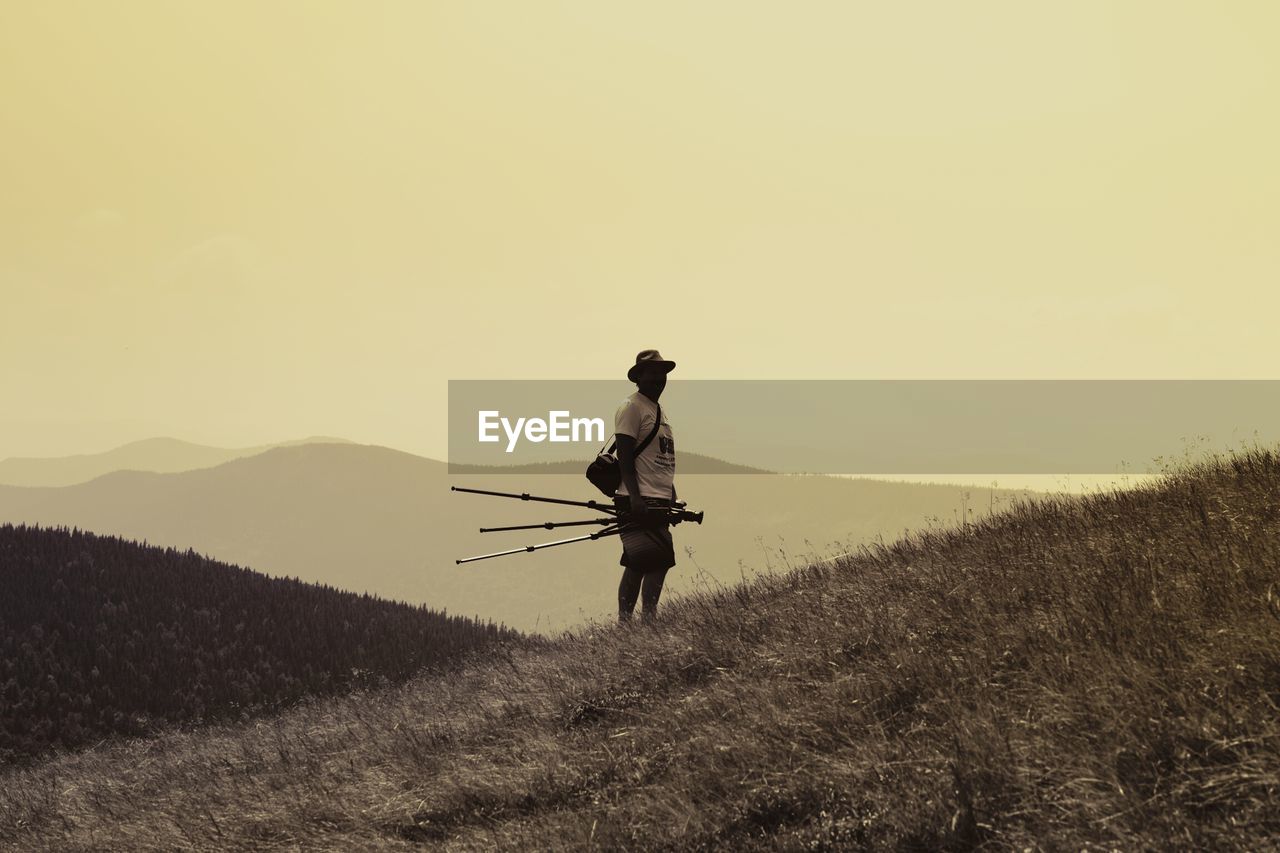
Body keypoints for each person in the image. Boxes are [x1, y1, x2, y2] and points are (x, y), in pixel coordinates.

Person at [614, 349, 678, 624]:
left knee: (638, 562)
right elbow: (624, 457)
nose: (659, 378)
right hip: (637, 498)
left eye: (662, 373)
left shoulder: (659, 411)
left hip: (657, 496)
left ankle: (627, 623)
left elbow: (661, 458)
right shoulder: (632, 407)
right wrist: (636, 497)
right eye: (652, 373)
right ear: (638, 377)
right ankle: (645, 620)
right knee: (658, 560)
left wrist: (672, 494)